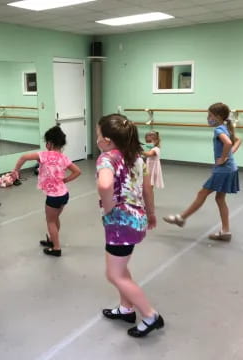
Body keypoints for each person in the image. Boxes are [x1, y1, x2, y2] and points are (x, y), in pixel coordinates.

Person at [96, 114, 164, 338]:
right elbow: (147, 189)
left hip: (120, 224)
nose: (97, 139)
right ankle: (126, 309)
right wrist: (152, 214)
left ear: (107, 140)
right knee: (120, 268)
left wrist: (108, 208)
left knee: (114, 275)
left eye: (97, 135)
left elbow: (105, 185)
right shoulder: (136, 157)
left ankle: (150, 315)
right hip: (137, 220)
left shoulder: (107, 158)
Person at [163, 102, 242, 241]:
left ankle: (181, 218)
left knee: (202, 193)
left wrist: (224, 157)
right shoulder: (225, 127)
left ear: (217, 117)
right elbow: (238, 141)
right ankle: (226, 232)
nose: (208, 118)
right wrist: (229, 155)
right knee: (220, 198)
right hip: (231, 168)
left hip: (223, 170)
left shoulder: (218, 129)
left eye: (210, 115)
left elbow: (229, 143)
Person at [12, 125, 81, 257]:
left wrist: (16, 170)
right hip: (64, 194)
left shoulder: (43, 155)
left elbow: (23, 157)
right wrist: (65, 180)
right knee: (54, 219)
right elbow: (78, 171)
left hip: (53, 197)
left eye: (46, 143)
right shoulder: (63, 158)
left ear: (50, 143)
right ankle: (52, 240)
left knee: (50, 222)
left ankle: (56, 248)